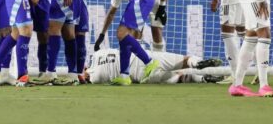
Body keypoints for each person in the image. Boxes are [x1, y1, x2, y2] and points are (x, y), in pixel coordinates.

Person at [95, 0, 168, 53]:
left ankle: (159, 57)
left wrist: (162, 7)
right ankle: (138, 58)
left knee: (156, 32)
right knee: (135, 32)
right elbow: (111, 13)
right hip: (139, 5)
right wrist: (102, 35)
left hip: (155, 1)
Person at [86, 47, 223, 84]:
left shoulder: (95, 79)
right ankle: (197, 63)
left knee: (179, 77)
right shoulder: (98, 53)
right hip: (145, 59)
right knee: (186, 60)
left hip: (141, 77)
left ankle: (203, 79)